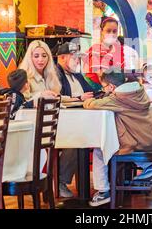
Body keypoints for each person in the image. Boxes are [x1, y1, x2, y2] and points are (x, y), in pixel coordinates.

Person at [83, 69, 152, 207]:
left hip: (137, 142)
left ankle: (103, 192)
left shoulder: (118, 98)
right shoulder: (138, 91)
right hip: (150, 139)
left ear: (111, 87)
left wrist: (87, 100)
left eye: (105, 86)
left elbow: (93, 105)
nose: (104, 89)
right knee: (115, 142)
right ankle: (149, 165)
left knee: (100, 148)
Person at [55, 42, 95, 197]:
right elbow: (57, 97)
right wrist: (79, 98)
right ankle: (60, 181)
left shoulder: (77, 75)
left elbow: (90, 91)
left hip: (82, 120)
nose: (78, 61)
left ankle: (110, 182)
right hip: (62, 123)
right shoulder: (55, 74)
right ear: (63, 58)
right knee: (76, 141)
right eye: (75, 58)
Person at [83, 17, 140, 89]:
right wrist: (108, 88)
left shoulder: (123, 50)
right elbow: (100, 76)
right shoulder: (95, 51)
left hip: (118, 88)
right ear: (102, 32)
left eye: (114, 31)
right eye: (108, 31)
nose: (111, 34)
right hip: (98, 89)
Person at [19, 40, 60, 105]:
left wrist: (76, 98)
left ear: (48, 58)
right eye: (36, 56)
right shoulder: (25, 78)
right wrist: (40, 95)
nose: (40, 60)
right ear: (30, 58)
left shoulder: (51, 76)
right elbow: (23, 103)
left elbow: (57, 98)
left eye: (44, 56)